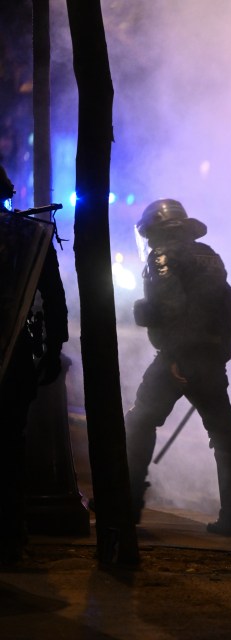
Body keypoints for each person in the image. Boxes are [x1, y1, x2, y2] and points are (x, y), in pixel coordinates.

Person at [125, 199, 231, 536]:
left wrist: (175, 352)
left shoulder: (163, 256)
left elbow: (169, 305)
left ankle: (127, 502)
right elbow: (229, 307)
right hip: (209, 355)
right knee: (225, 435)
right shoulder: (209, 255)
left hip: (179, 356)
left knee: (139, 423)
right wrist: (218, 352)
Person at [0, 166, 68, 564]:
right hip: (16, 360)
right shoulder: (31, 235)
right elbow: (54, 303)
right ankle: (10, 539)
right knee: (9, 448)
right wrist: (52, 350)